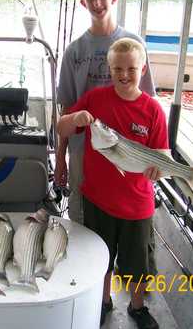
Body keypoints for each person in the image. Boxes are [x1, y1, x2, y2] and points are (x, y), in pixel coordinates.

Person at [57, 38, 164, 328]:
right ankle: (104, 301)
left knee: (138, 265)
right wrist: (75, 117)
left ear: (143, 70)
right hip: (98, 200)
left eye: (131, 68)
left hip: (137, 206)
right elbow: (61, 127)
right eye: (118, 68)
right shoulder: (95, 100)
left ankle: (137, 307)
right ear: (110, 68)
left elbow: (162, 153)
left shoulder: (153, 110)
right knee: (102, 257)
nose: (124, 74)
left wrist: (160, 168)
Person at [55, 0, 155, 225]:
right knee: (82, 218)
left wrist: (154, 158)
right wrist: (60, 160)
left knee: (126, 217)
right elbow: (66, 109)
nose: (97, 3)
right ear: (83, 3)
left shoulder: (134, 44)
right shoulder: (74, 51)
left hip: (128, 149)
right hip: (82, 151)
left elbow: (149, 104)